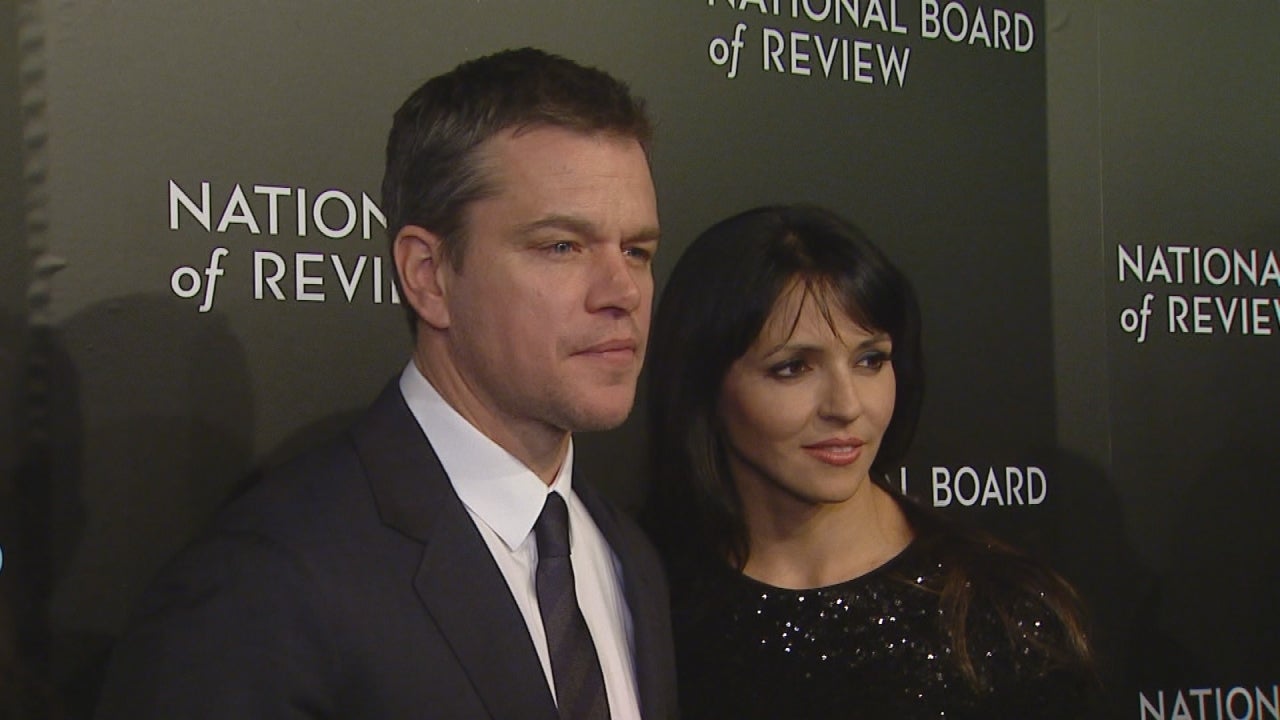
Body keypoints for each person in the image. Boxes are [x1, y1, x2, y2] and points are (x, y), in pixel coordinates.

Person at [95, 48, 676, 719]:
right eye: (561, 246)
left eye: (637, 250)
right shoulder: (268, 581)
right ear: (428, 276)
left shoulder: (627, 557)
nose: (622, 292)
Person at [644, 205, 1095, 719]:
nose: (847, 405)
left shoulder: (997, 614)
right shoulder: (640, 602)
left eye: (870, 360)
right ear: (704, 387)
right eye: (794, 368)